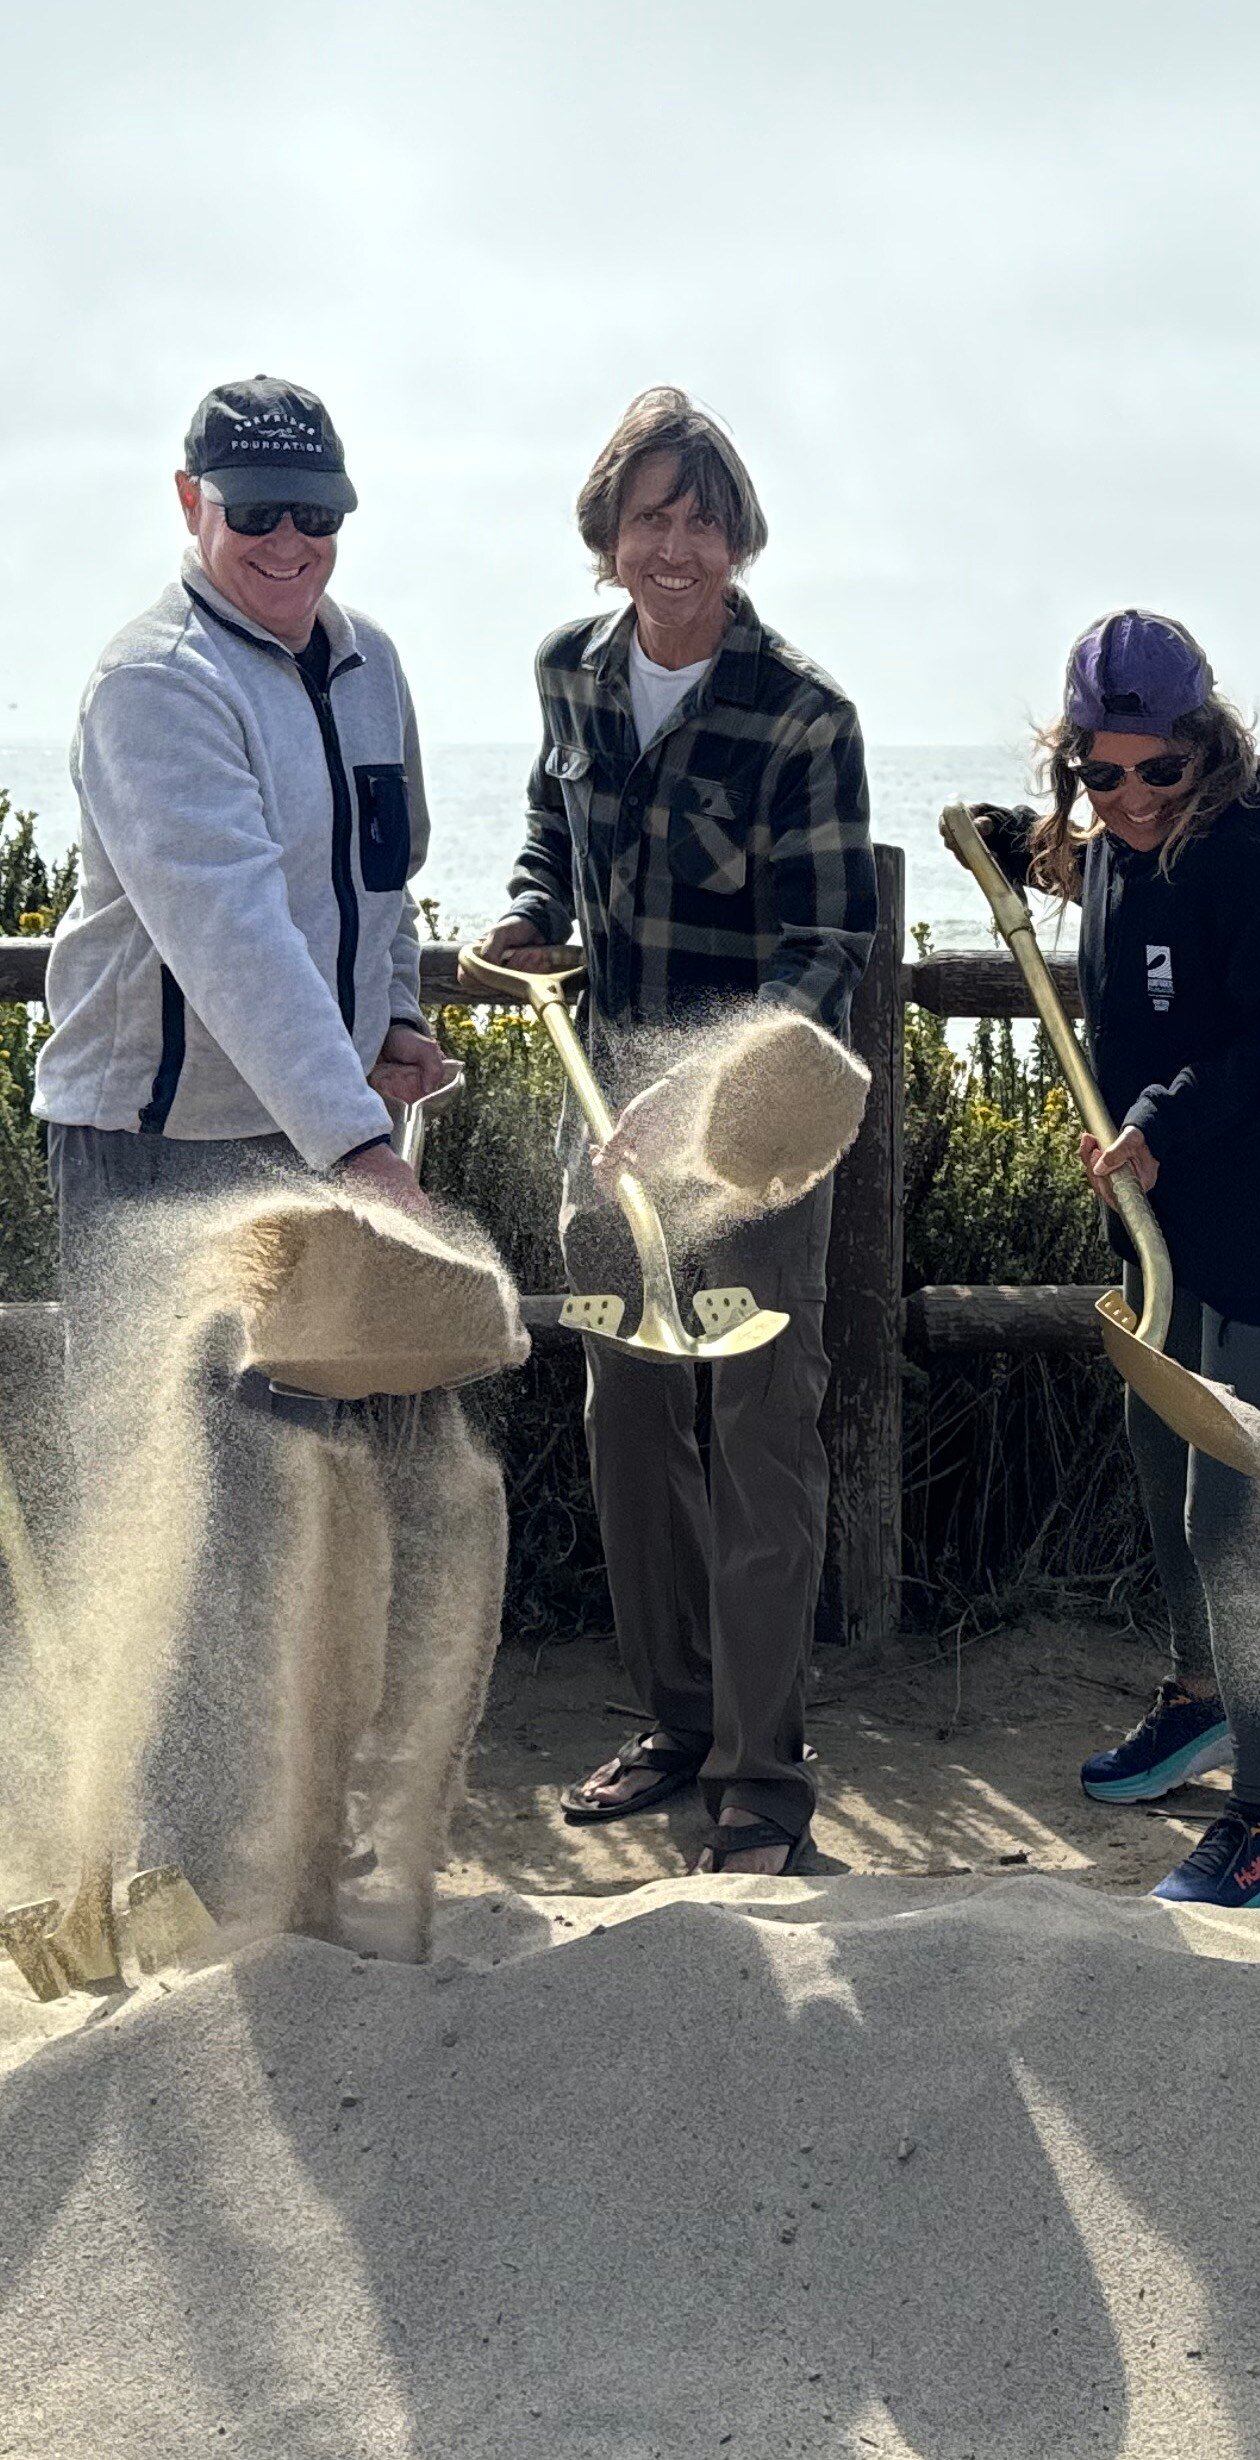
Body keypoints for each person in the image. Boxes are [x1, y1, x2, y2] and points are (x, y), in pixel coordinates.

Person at [31, 374, 471, 1929]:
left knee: (309, 1504)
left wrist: (398, 1027)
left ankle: (275, 1842)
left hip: (311, 1145)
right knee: (174, 1522)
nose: (292, 543)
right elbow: (229, 940)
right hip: (155, 1156)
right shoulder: (150, 688)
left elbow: (379, 883)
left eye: (321, 515)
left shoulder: (371, 666)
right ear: (187, 503)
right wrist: (364, 1147)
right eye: (257, 511)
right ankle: (165, 1864)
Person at [477, 388, 876, 1878]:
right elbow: (545, 831)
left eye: (703, 516)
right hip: (605, 1130)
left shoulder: (805, 713)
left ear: (737, 535)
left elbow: (826, 949)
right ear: (608, 535)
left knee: (761, 1444)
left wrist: (702, 1097)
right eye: (651, 513)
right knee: (630, 1431)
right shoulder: (566, 676)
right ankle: (676, 1721)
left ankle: (765, 1783)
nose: (678, 542)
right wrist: (527, 910)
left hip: (755, 1138)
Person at [953, 611, 1260, 1910]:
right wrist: (1002, 841)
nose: (1127, 799)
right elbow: (1090, 877)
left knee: (1228, 1505)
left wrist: (1165, 1117)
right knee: (1155, 1454)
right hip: (1164, 1225)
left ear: (1205, 756)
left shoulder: (1249, 874)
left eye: (1155, 772)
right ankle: (1196, 1699)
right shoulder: (1112, 850)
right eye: (1097, 773)